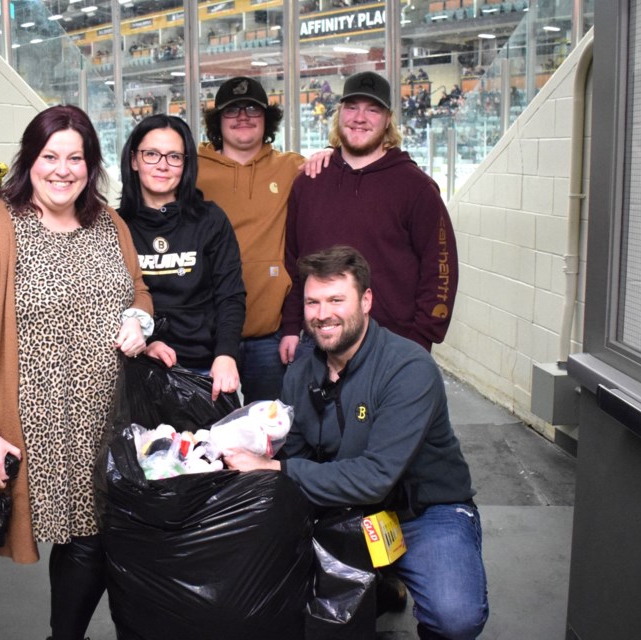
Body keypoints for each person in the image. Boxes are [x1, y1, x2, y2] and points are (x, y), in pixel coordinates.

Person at [0, 105, 153, 640]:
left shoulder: (110, 223)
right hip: (34, 425)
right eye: (49, 155)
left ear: (91, 165)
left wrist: (139, 317)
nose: (63, 169)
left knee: (99, 534)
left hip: (106, 418)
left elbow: (139, 289)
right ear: (29, 161)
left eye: (75, 158)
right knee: (78, 536)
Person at [227, 245, 488, 640]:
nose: (322, 314)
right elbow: (295, 452)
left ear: (366, 300)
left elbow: (375, 477)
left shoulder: (408, 368)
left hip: (420, 512)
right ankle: (375, 581)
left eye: (336, 300)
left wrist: (276, 467)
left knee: (456, 618)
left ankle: (387, 573)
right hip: (342, 507)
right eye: (312, 302)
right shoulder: (302, 370)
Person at [280, 71, 458, 362]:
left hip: (392, 345)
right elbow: (293, 261)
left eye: (372, 110)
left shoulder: (416, 188)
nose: (360, 118)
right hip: (317, 343)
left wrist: (421, 339)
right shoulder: (308, 182)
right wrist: (290, 326)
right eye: (352, 108)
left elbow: (439, 268)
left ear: (387, 119)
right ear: (340, 114)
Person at [197, 76, 331, 402]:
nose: (243, 117)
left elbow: (343, 166)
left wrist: (329, 150)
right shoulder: (192, 170)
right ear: (218, 121)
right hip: (206, 335)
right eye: (232, 110)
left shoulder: (291, 168)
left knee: (268, 431)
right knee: (206, 435)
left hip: (270, 336)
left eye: (253, 110)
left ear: (267, 120)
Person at [118, 114, 246, 401]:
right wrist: (145, 344)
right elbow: (108, 305)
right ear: (134, 161)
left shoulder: (210, 219)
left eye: (174, 156)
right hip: (139, 367)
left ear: (186, 164)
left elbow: (230, 295)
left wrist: (226, 355)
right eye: (151, 154)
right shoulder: (116, 225)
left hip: (204, 368)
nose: (162, 165)